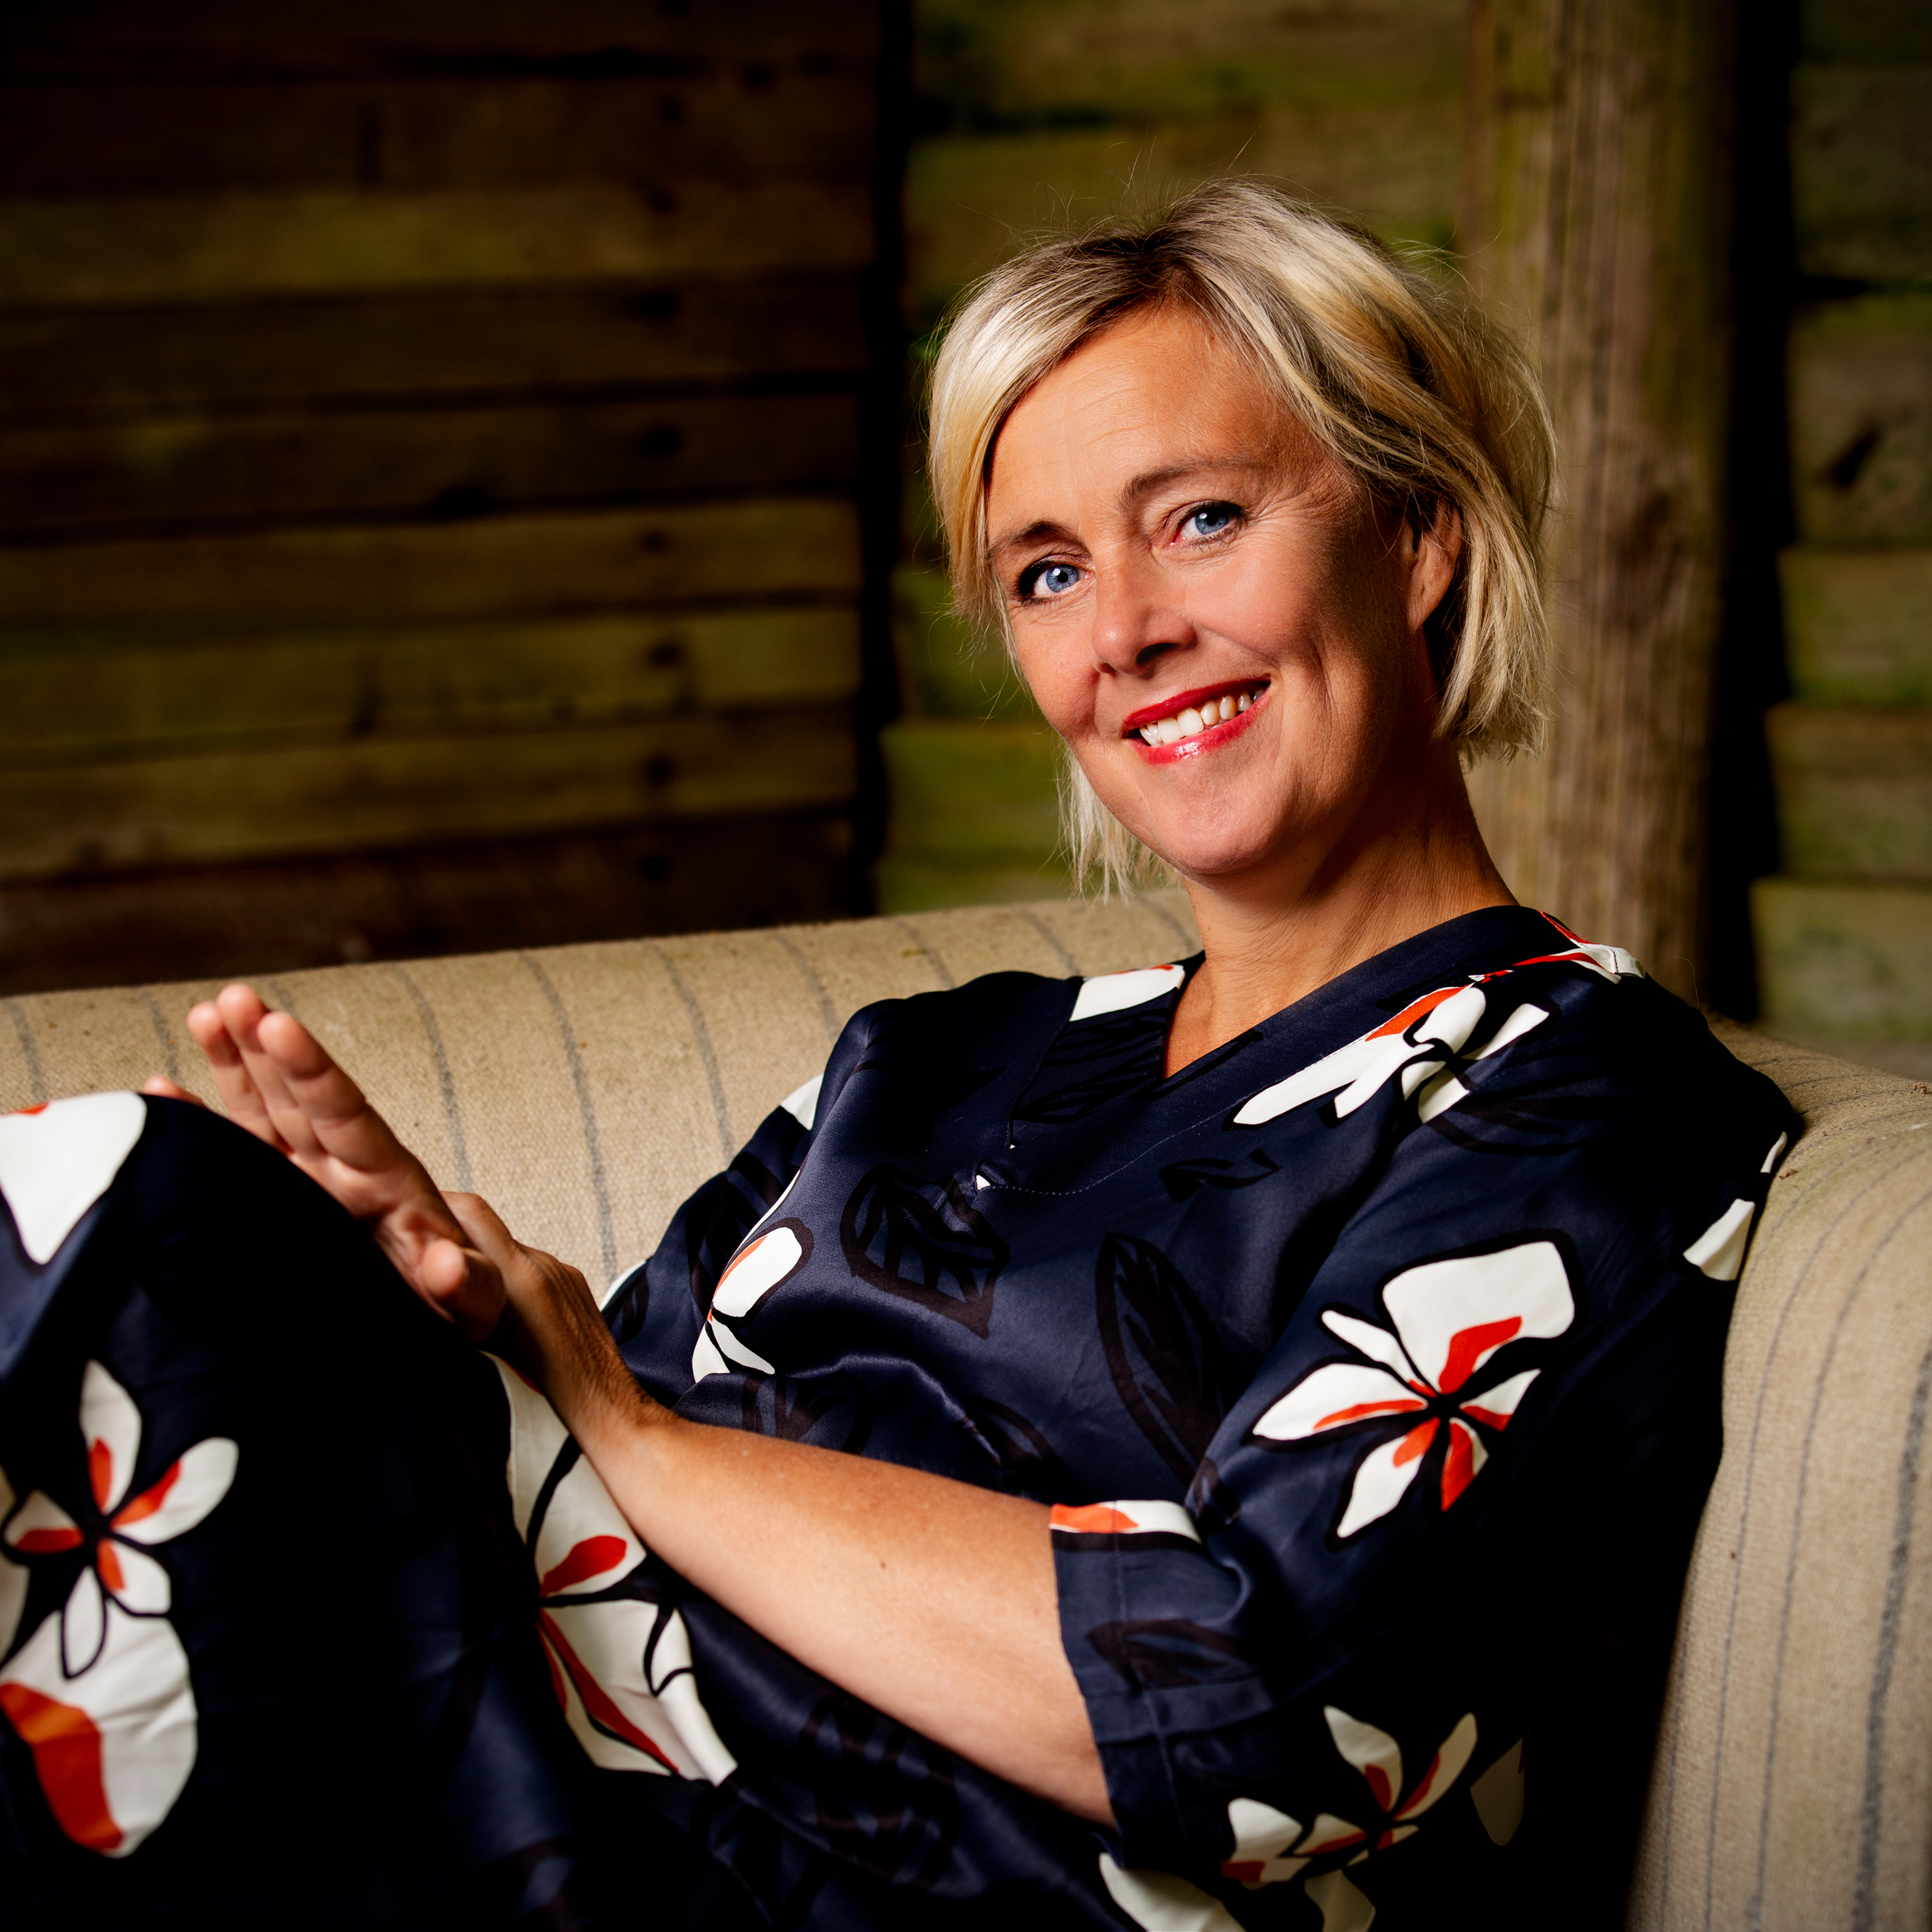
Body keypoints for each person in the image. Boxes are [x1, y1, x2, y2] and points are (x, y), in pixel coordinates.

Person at [0, 182, 1792, 1931]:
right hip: (549, 1747)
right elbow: (579, 1483)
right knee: (179, 1240)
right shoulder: (932, 1061)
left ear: (1418, 539)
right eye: (1048, 573)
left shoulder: (1586, 1099)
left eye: (1200, 520)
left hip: (874, 1873)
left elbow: (1270, 1718)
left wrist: (614, 1420)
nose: (1124, 634)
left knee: (132, 1213)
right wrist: (413, 1310)